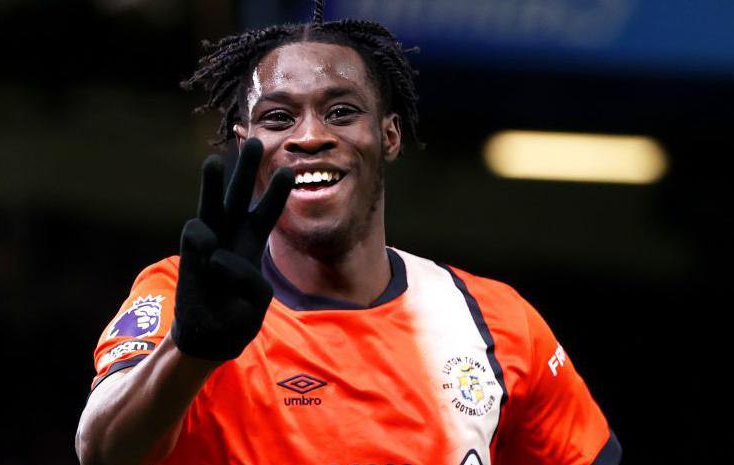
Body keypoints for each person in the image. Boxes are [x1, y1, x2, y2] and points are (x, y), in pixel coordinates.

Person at [75, 2, 621, 464]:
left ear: (388, 135)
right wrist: (190, 351)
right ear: (245, 146)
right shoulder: (186, 295)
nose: (310, 136)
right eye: (278, 118)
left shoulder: (499, 323)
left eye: (340, 112)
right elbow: (100, 450)